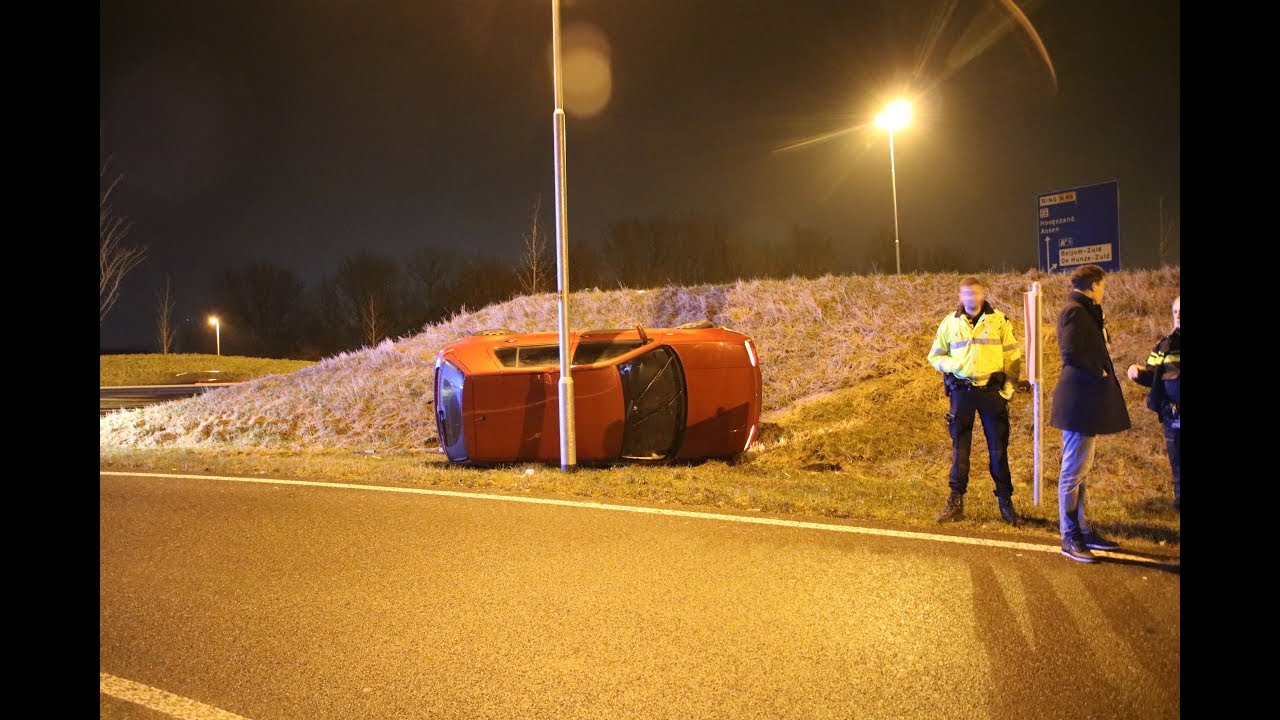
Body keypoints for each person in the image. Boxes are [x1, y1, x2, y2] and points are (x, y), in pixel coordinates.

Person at [1050, 264, 1131, 563]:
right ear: (1094, 284)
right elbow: (1069, 352)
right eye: (1103, 285)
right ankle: (1069, 537)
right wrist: (1098, 370)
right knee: (1072, 473)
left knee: (1080, 472)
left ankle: (1083, 528)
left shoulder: (1087, 311)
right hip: (1078, 404)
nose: (1105, 290)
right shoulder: (1074, 311)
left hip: (1086, 403)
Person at [928, 275, 1023, 526]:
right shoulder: (950, 323)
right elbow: (935, 356)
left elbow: (1013, 357)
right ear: (960, 297)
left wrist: (1008, 391)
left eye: (976, 293)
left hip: (992, 393)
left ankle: (1005, 502)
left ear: (983, 294)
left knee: (998, 450)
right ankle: (955, 502)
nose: (972, 298)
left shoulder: (999, 320)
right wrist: (954, 364)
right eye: (967, 294)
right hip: (962, 393)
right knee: (960, 450)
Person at [1126, 295, 1180, 512]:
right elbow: (1152, 375)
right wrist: (1137, 372)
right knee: (1177, 460)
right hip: (1173, 415)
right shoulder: (1164, 346)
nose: (1178, 316)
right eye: (1176, 312)